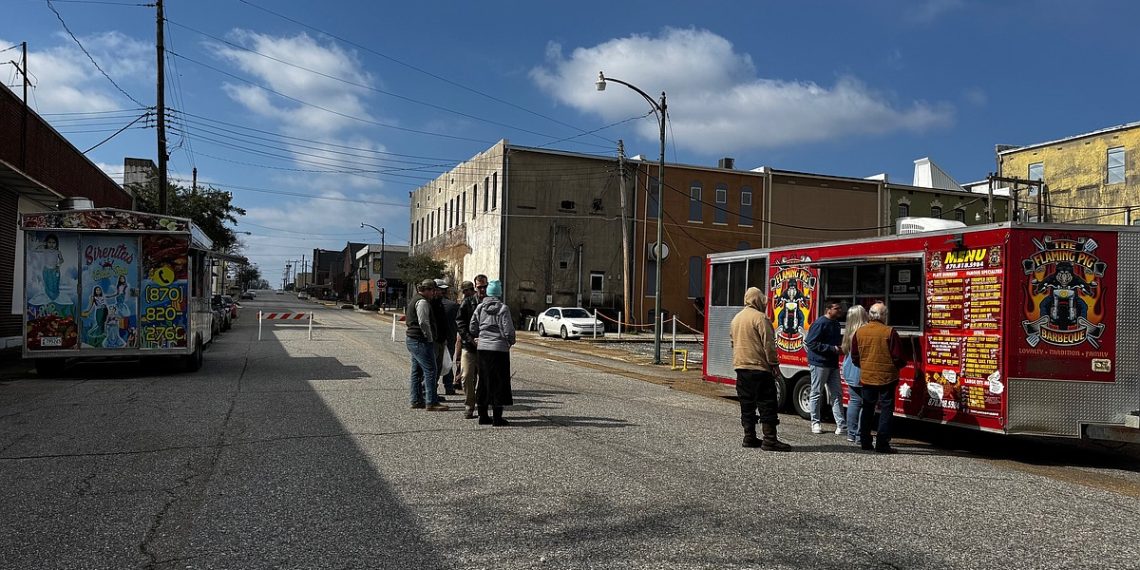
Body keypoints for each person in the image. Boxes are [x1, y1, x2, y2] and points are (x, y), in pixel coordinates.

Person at [729, 287, 790, 451]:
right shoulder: (760, 318)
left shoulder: (736, 319)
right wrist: (774, 364)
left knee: (747, 404)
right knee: (766, 403)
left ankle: (749, 437)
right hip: (759, 367)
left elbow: (733, 343)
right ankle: (770, 439)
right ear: (757, 300)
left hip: (741, 367)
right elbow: (769, 344)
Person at [850, 302, 907, 453]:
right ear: (883, 316)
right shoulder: (890, 332)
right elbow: (899, 357)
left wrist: (865, 366)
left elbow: (855, 356)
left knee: (868, 408)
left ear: (870, 315)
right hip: (887, 378)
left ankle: (865, 441)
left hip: (867, 376)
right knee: (886, 409)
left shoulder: (860, 332)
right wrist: (897, 366)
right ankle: (882, 443)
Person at [470, 279, 515, 426]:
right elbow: (508, 330)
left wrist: (479, 336)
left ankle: (483, 416)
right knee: (499, 382)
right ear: (499, 293)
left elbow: (472, 327)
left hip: (483, 349)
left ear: (488, 292)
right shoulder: (503, 308)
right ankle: (497, 417)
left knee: (483, 380)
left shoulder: (480, 308)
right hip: (499, 349)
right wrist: (510, 341)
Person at [406, 279, 447, 411]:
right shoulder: (423, 302)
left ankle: (416, 400)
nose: (434, 294)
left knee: (416, 371)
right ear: (427, 290)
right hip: (420, 340)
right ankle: (431, 401)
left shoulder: (415, 299)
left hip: (413, 339)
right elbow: (423, 322)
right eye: (433, 291)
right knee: (430, 370)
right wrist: (429, 338)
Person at [805, 300, 845, 435]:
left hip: (832, 363)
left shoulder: (836, 324)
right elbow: (810, 342)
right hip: (819, 363)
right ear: (828, 309)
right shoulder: (820, 323)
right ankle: (815, 423)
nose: (840, 310)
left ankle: (841, 425)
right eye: (837, 308)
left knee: (837, 394)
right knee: (816, 392)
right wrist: (832, 348)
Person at [840, 305, 870, 444]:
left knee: (854, 402)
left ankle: (851, 433)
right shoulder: (864, 331)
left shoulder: (849, 332)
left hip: (849, 370)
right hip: (861, 371)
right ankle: (859, 434)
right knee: (866, 404)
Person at [455, 278, 484, 419]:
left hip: (486, 348)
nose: (482, 289)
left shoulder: (491, 303)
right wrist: (469, 339)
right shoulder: (467, 302)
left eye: (484, 286)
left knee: (485, 378)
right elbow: (460, 322)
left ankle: (482, 404)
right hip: (469, 346)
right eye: (479, 287)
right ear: (475, 287)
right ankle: (469, 405)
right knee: (466, 376)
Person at [434, 278, 460, 396]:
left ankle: (433, 388)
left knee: (434, 364)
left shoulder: (431, 305)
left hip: (436, 339)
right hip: (450, 338)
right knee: (448, 362)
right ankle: (449, 387)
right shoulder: (453, 306)